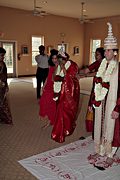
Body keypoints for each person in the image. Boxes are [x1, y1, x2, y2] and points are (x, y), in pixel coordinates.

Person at [87, 22, 120, 170]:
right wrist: (93, 100)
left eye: (108, 51)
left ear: (115, 52)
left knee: (113, 129)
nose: (106, 53)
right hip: (101, 102)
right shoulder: (102, 66)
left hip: (113, 105)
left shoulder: (118, 68)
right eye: (105, 51)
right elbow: (97, 84)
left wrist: (117, 108)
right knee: (100, 126)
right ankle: (100, 151)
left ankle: (110, 155)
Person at [51, 51, 80, 143]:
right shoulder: (59, 65)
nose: (59, 61)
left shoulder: (72, 65)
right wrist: (58, 67)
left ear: (66, 59)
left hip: (68, 93)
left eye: (61, 59)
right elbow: (54, 77)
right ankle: (62, 128)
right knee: (60, 111)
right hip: (59, 90)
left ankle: (63, 130)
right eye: (58, 59)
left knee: (66, 111)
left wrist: (63, 67)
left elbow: (70, 78)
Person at [79, 47, 105, 132]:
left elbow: (98, 73)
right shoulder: (96, 63)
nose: (95, 56)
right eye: (95, 54)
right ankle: (94, 124)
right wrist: (74, 71)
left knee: (101, 104)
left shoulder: (106, 63)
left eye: (97, 54)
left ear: (103, 55)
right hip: (96, 85)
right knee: (92, 102)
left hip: (104, 86)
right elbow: (86, 70)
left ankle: (102, 125)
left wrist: (86, 75)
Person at [39, 49, 59, 126]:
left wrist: (57, 67)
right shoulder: (51, 66)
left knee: (51, 104)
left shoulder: (59, 67)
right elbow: (48, 77)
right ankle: (48, 119)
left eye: (56, 58)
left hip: (54, 86)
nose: (54, 60)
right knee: (44, 101)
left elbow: (55, 78)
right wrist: (43, 86)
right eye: (53, 58)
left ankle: (50, 120)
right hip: (48, 85)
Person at [0, 47, 13, 124]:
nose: (3, 57)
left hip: (3, 85)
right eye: (1, 55)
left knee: (3, 102)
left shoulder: (3, 63)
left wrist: (6, 85)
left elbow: (5, 75)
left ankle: (6, 119)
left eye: (3, 55)